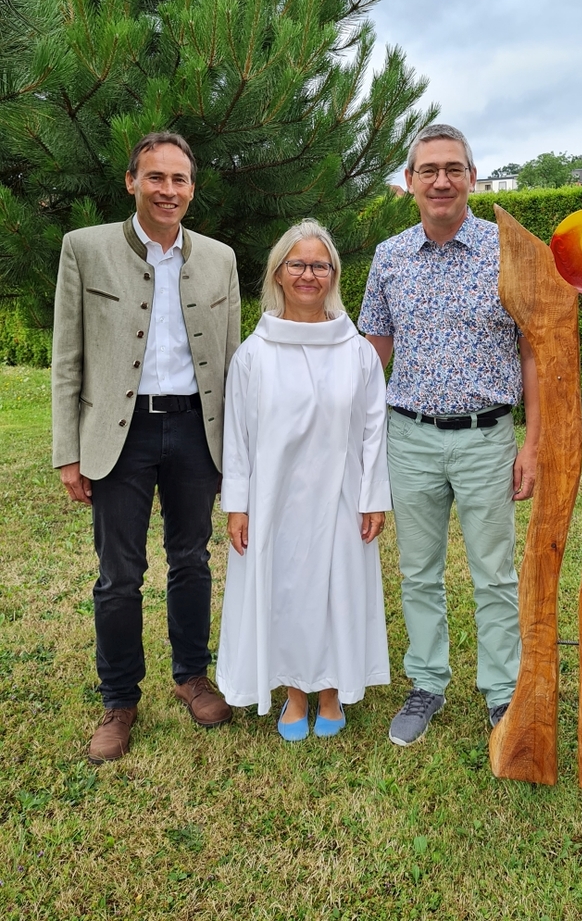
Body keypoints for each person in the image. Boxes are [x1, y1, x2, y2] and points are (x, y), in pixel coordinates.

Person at [52, 131, 241, 763]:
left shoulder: (219, 259)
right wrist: (67, 450)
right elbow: (67, 358)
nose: (168, 190)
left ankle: (191, 676)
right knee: (119, 574)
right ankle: (119, 699)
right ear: (132, 181)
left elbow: (233, 361)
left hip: (195, 431)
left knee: (191, 559)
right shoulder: (85, 249)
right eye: (155, 177)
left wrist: (237, 448)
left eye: (179, 179)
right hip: (119, 432)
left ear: (192, 188)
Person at [358, 123, 540, 746]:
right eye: (429, 170)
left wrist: (533, 444)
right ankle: (427, 683)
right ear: (410, 181)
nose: (442, 180)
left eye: (453, 168)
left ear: (471, 177)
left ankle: (503, 691)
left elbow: (534, 352)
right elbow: (371, 357)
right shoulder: (389, 258)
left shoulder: (507, 251)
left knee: (495, 574)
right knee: (418, 572)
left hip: (487, 439)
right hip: (410, 438)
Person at [216, 219, 391, 741]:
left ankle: (332, 691)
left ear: (333, 274)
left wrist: (372, 498)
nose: (308, 275)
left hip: (340, 496)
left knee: (337, 589)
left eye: (319, 265)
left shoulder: (357, 352)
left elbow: (374, 430)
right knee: (286, 590)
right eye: (298, 264)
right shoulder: (254, 354)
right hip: (275, 499)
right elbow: (238, 435)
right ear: (278, 273)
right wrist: (239, 504)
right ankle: (294, 692)